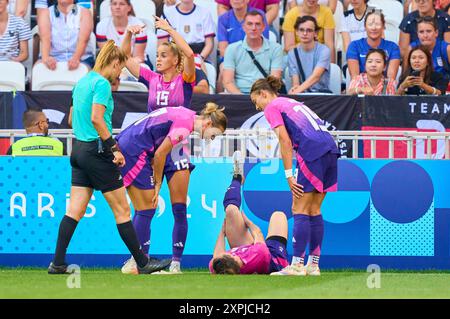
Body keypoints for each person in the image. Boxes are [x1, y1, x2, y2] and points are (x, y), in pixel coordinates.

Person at [47, 40, 172, 275]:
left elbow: (73, 119)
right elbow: (97, 118)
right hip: (97, 152)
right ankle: (143, 263)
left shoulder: (82, 81)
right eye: (120, 69)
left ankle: (58, 262)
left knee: (74, 210)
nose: (119, 74)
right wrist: (113, 147)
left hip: (79, 150)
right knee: (123, 211)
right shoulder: (102, 84)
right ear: (114, 63)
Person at [120, 19, 197, 274]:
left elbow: (189, 53)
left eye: (164, 55)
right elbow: (123, 57)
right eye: (157, 55)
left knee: (178, 208)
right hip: (151, 150)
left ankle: (175, 263)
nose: (158, 59)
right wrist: (129, 35)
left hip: (176, 148)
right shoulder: (152, 78)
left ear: (175, 61)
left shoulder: (185, 80)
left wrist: (169, 30)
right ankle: (140, 259)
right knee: (146, 208)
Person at [116, 103, 228, 275]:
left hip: (131, 144)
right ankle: (137, 262)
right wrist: (158, 183)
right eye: (213, 136)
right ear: (208, 125)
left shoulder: (187, 114)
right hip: (134, 150)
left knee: (144, 209)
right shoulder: (185, 126)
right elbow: (161, 154)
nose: (210, 139)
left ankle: (138, 261)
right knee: (146, 208)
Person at [250, 76, 340, 276]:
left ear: (263, 94)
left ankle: (297, 265)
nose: (258, 108)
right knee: (314, 209)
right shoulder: (291, 102)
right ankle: (313, 265)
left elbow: (284, 140)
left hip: (312, 153)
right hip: (330, 150)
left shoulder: (272, 106)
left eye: (256, 102)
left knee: (298, 207)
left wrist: (289, 175)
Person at [210, 154, 290, 275]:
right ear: (235, 260)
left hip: (248, 248)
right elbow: (258, 232)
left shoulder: (218, 265)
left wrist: (222, 231)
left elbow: (216, 256)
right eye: (233, 254)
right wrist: (248, 222)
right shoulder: (259, 253)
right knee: (278, 215)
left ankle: (237, 177)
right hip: (272, 257)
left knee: (231, 210)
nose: (232, 253)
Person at [222, 10, 283, 94]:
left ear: (263, 27)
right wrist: (242, 98)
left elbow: (274, 81)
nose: (253, 28)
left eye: (257, 24)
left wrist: (260, 98)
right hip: (239, 95)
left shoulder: (276, 48)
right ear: (243, 27)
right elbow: (227, 82)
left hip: (265, 95)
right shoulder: (232, 49)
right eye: (250, 24)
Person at [37, 0, 94, 71]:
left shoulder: (85, 13)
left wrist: (75, 58)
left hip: (81, 59)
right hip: (53, 58)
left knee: (83, 72)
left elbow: (84, 40)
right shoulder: (45, 13)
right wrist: (46, 58)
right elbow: (45, 39)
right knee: (37, 70)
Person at [346, 11, 401, 81]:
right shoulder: (354, 46)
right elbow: (355, 77)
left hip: (384, 89)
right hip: (360, 88)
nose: (374, 28)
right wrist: (365, 90)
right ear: (365, 26)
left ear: (383, 26)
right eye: (370, 24)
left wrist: (380, 90)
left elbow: (390, 79)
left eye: (377, 24)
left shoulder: (393, 47)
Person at [287, 16, 331, 94]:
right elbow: (295, 82)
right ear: (296, 32)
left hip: (321, 95)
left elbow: (316, 77)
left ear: (315, 33)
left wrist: (297, 90)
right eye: (301, 30)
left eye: (309, 30)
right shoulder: (292, 53)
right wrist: (295, 89)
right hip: (302, 94)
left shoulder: (324, 50)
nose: (305, 33)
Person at [96, 0, 147, 65]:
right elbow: (106, 55)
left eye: (122, 4)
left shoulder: (139, 25)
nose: (117, 7)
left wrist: (123, 68)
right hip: (111, 63)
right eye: (114, 4)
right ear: (111, 7)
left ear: (129, 8)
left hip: (135, 62)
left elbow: (138, 57)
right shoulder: (102, 26)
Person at [408, 16, 450, 82]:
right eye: (421, 32)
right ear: (417, 34)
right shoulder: (412, 48)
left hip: (443, 89)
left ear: (436, 33)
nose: (425, 35)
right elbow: (406, 74)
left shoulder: (446, 49)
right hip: (418, 88)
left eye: (429, 31)